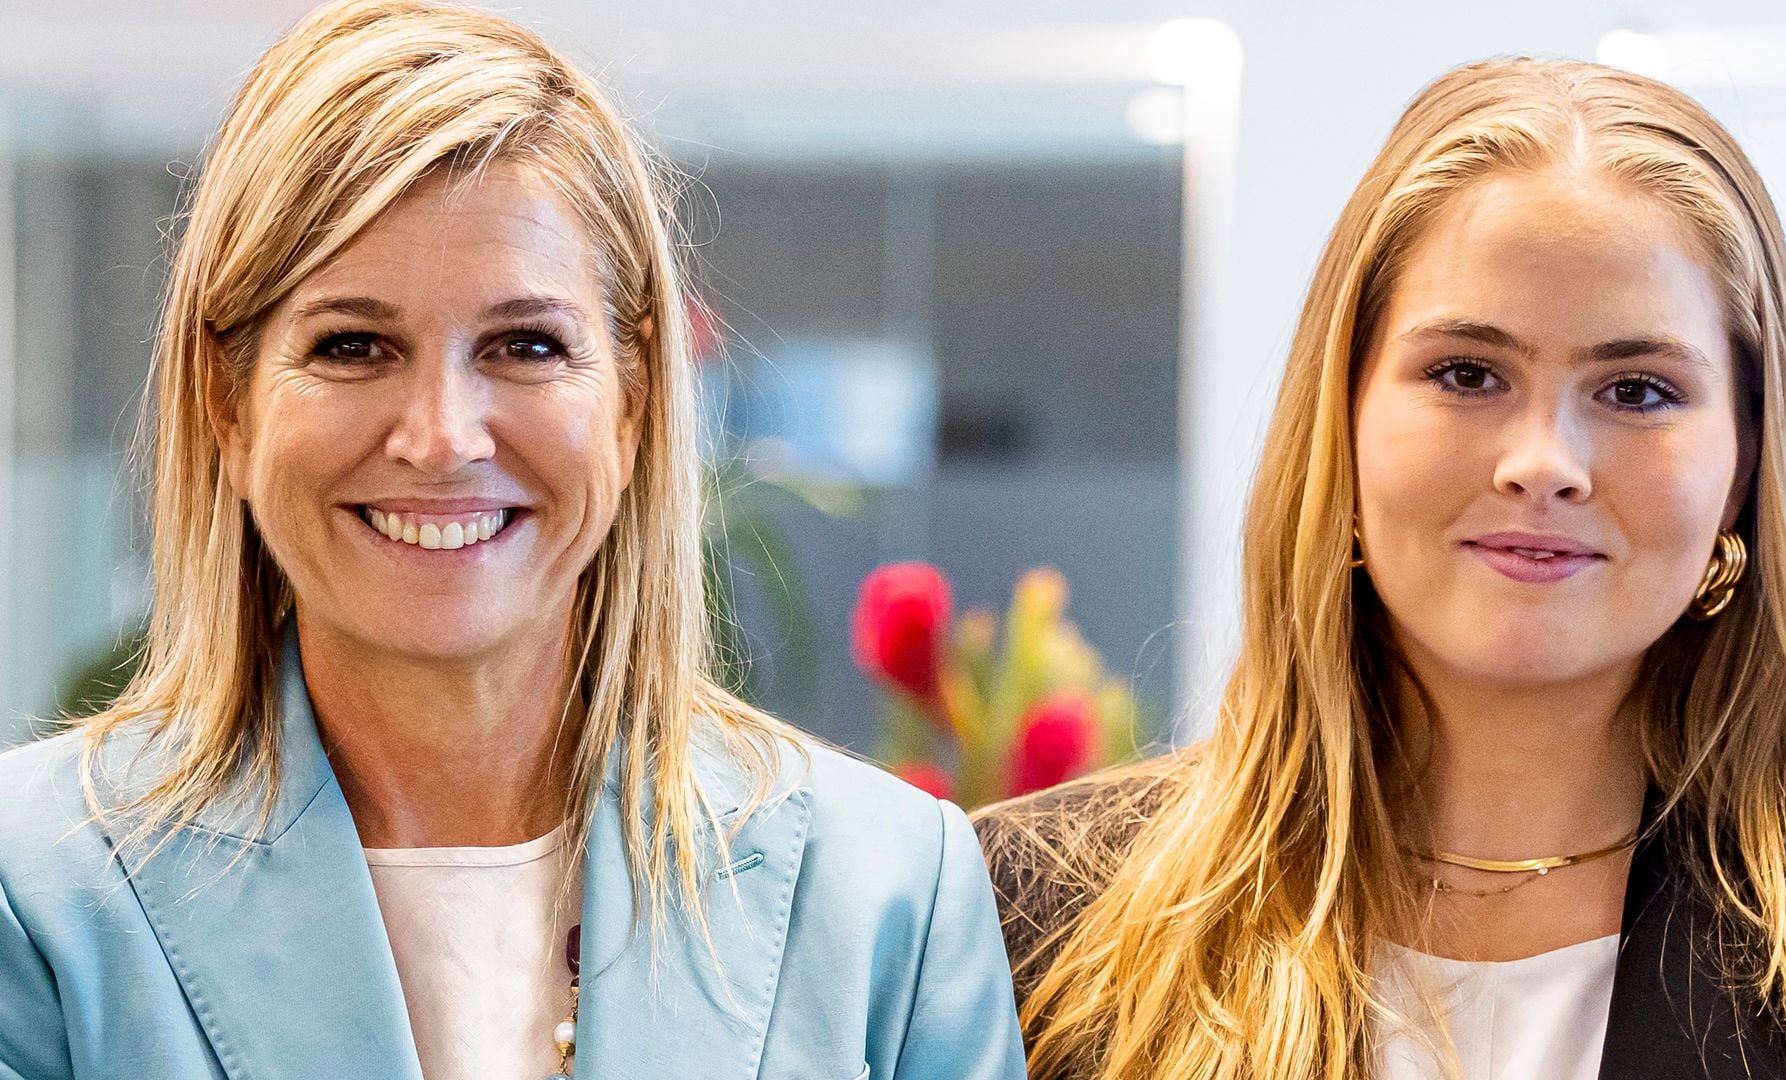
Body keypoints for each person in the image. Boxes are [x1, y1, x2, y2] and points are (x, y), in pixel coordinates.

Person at [0, 3, 1024, 1078]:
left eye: (526, 344)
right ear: (229, 401)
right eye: (352, 346)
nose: (442, 438)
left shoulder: (886, 896)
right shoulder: (36, 893)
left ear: (632, 401)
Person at [975, 57, 1786, 1080]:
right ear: (1340, 426)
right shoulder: (1029, 925)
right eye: (1467, 374)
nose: (1543, 465)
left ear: (1744, 464)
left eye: (1639, 391)